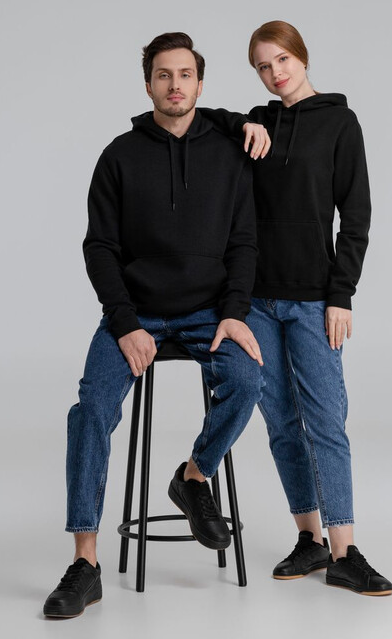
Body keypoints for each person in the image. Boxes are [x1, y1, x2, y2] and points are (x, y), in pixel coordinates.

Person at [43, 31, 264, 618]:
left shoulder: (229, 154)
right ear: (148, 85)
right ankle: (85, 563)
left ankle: (193, 476)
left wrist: (234, 313)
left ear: (200, 83)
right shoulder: (118, 156)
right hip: (135, 313)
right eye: (164, 75)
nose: (175, 85)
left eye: (185, 74)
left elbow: (244, 243)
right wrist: (123, 323)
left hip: (209, 312)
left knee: (248, 380)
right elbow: (99, 247)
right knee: (91, 409)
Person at [199, 20, 392, 596]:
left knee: (326, 421)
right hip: (255, 301)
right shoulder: (257, 123)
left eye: (281, 59)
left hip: (313, 301)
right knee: (281, 422)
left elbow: (355, 215)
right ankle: (309, 539)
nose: (274, 72)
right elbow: (205, 118)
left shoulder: (339, 122)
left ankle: (345, 550)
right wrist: (244, 123)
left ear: (301, 57)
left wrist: (341, 295)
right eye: (263, 66)